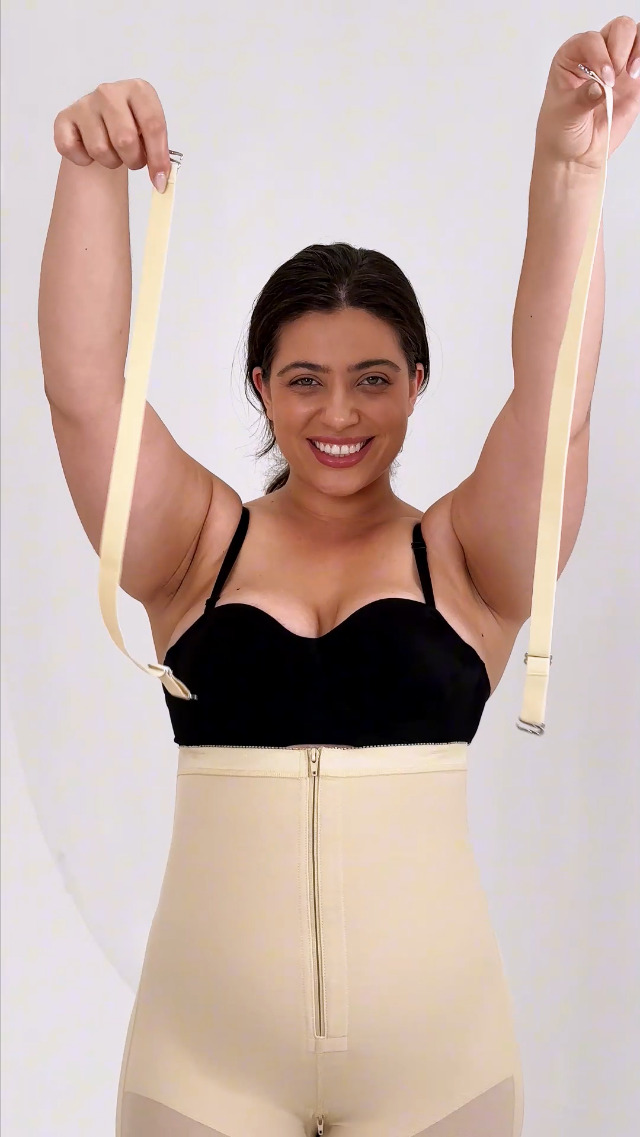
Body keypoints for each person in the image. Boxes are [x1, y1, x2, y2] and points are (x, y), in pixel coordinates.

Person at [39, 30, 637, 1132]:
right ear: (261, 387)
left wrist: (569, 161)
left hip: (438, 1067)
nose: (340, 413)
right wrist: (88, 169)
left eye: (372, 379)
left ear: (417, 383)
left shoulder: (469, 560)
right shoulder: (194, 547)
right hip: (201, 1064)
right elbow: (85, 392)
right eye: (305, 380)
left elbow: (559, 398)